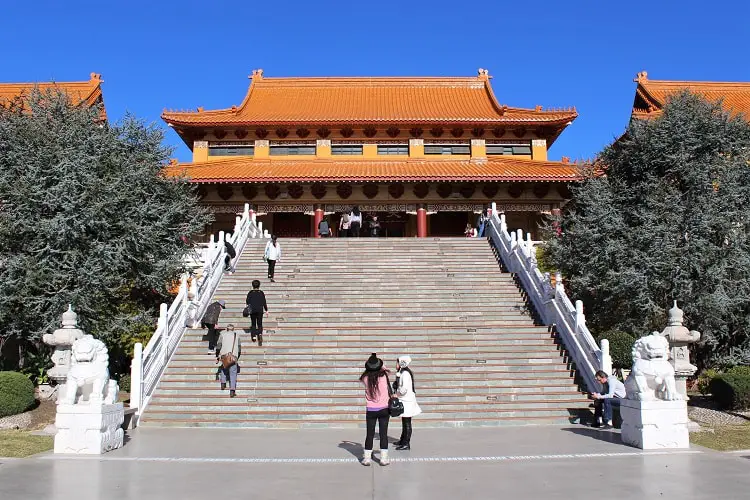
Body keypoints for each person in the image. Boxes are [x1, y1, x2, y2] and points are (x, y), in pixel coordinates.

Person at [359, 353, 392, 466]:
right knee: (383, 434)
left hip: (371, 410)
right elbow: (388, 371)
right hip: (384, 409)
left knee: (369, 434)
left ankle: (367, 458)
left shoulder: (365, 378)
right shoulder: (383, 376)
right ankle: (383, 458)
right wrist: (382, 366)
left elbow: (368, 372)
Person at [393, 355, 421, 450]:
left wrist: (397, 394)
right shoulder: (403, 372)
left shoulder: (405, 374)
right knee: (405, 421)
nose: (395, 364)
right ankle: (402, 440)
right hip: (405, 400)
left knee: (407, 423)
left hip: (407, 401)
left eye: (397, 362)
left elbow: (404, 389)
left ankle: (406, 443)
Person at [215, 324, 241, 398]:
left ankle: (223, 383)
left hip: (224, 355)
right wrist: (237, 356)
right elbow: (239, 348)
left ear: (227, 329)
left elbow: (219, 345)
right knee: (233, 373)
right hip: (233, 356)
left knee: (223, 368)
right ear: (233, 329)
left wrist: (217, 354)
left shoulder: (222, 334)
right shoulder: (237, 335)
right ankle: (232, 390)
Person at [246, 279, 269, 346]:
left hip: (252, 310)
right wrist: (266, 310)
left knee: (253, 323)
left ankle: (253, 336)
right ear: (259, 285)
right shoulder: (261, 292)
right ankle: (260, 334)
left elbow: (247, 301)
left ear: (252, 285)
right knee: (259, 323)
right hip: (260, 310)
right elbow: (264, 302)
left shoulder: (250, 292)